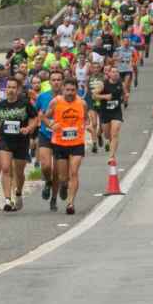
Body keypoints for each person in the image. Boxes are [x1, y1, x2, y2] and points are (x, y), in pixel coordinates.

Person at [0, 77, 38, 212]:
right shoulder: (0, 105)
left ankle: (18, 193)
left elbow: (35, 118)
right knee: (5, 168)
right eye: (8, 87)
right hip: (5, 140)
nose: (10, 90)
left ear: (18, 89)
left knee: (18, 171)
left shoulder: (25, 104)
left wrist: (28, 129)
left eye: (13, 87)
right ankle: (7, 200)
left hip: (21, 141)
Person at [45, 79, 88, 214]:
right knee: (63, 177)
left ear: (77, 90)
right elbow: (44, 117)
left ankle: (70, 203)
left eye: (73, 90)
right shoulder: (56, 102)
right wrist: (51, 125)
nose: (70, 93)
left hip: (77, 143)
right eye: (67, 90)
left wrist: (87, 126)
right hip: (60, 143)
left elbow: (86, 118)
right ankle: (63, 186)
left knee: (74, 172)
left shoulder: (82, 103)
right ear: (63, 89)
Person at [36, 70, 64, 202]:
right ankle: (48, 182)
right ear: (49, 82)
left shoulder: (68, 96)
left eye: (59, 80)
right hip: (45, 134)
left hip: (61, 137)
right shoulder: (42, 97)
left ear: (62, 82)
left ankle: (53, 198)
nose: (56, 82)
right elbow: (38, 113)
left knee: (57, 171)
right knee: (46, 166)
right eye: (53, 80)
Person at [95, 66, 126, 161]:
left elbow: (125, 93)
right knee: (107, 135)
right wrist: (105, 97)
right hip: (105, 113)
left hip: (116, 112)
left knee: (115, 134)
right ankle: (100, 135)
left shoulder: (121, 84)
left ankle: (112, 156)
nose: (115, 73)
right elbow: (94, 95)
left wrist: (124, 99)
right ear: (109, 74)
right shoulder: (103, 84)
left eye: (117, 72)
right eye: (113, 72)